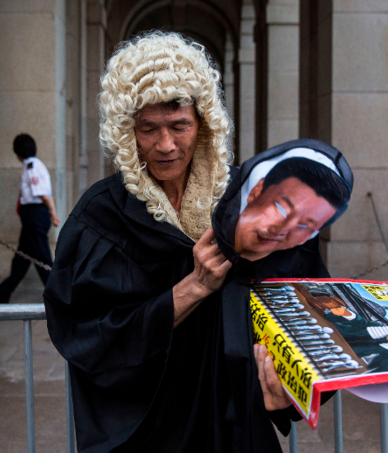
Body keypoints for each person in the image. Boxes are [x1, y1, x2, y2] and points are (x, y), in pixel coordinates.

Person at [43, 32, 352, 453]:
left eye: (179, 126)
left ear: (203, 123)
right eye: (148, 129)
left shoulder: (250, 204)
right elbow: (83, 335)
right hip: (149, 431)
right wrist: (193, 288)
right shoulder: (100, 218)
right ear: (125, 132)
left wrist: (294, 387)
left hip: (237, 424)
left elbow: (309, 310)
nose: (165, 145)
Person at [0, 134, 59, 304]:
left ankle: (59, 296)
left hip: (34, 215)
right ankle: (2, 294)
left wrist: (52, 212)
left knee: (42, 258)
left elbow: (42, 193)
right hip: (33, 216)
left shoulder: (31, 166)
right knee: (22, 258)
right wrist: (52, 212)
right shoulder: (33, 165)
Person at [324, 311, 388, 373]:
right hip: (326, 337)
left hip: (336, 358)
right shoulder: (376, 327)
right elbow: (359, 322)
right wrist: (345, 313)